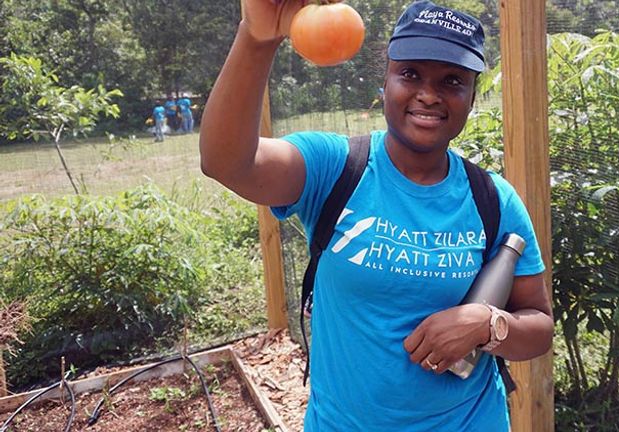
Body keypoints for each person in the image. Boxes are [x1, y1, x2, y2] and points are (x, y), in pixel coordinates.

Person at [199, 1, 554, 430]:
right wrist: (256, 38)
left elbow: (539, 325)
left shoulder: (494, 199)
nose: (428, 94)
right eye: (410, 74)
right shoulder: (335, 168)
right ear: (384, 83)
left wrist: (488, 324)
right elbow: (227, 162)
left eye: (452, 80)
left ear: (471, 97)